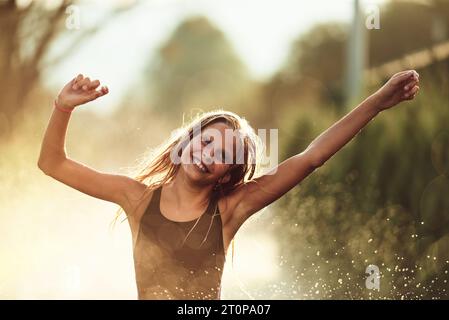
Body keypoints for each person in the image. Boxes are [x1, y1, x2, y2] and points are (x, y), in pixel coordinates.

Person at [37, 70, 420, 299]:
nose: (208, 153)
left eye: (222, 153)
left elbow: (311, 157)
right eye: (206, 141)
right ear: (186, 142)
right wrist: (63, 107)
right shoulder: (136, 198)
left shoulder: (229, 210)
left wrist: (376, 102)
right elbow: (52, 163)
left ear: (227, 175)